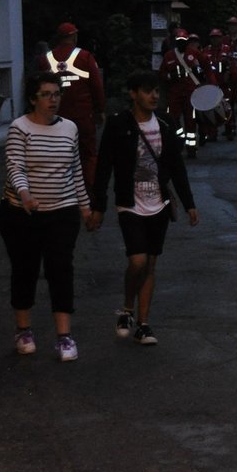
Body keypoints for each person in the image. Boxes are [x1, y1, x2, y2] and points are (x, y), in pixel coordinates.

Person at [90, 70, 199, 346]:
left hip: (159, 204)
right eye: (148, 91)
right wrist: (98, 206)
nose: (154, 96)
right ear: (133, 93)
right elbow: (103, 168)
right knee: (137, 261)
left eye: (156, 91)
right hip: (130, 203)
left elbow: (176, 166)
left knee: (150, 263)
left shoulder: (165, 123)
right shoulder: (118, 125)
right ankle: (127, 307)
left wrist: (190, 204)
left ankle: (144, 324)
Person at [0, 71, 99, 361]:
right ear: (33, 99)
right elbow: (15, 166)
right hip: (21, 213)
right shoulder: (20, 128)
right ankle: (23, 329)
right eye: (46, 94)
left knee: (61, 269)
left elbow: (75, 170)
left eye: (56, 94)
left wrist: (85, 206)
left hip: (62, 212)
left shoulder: (70, 128)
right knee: (25, 269)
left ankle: (64, 337)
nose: (53, 100)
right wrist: (26, 194)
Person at [41, 22, 106, 188]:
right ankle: (89, 193)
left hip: (55, 116)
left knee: (57, 155)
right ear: (74, 36)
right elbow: (96, 86)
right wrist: (100, 110)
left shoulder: (47, 59)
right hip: (82, 115)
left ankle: (60, 191)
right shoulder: (85, 56)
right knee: (88, 156)